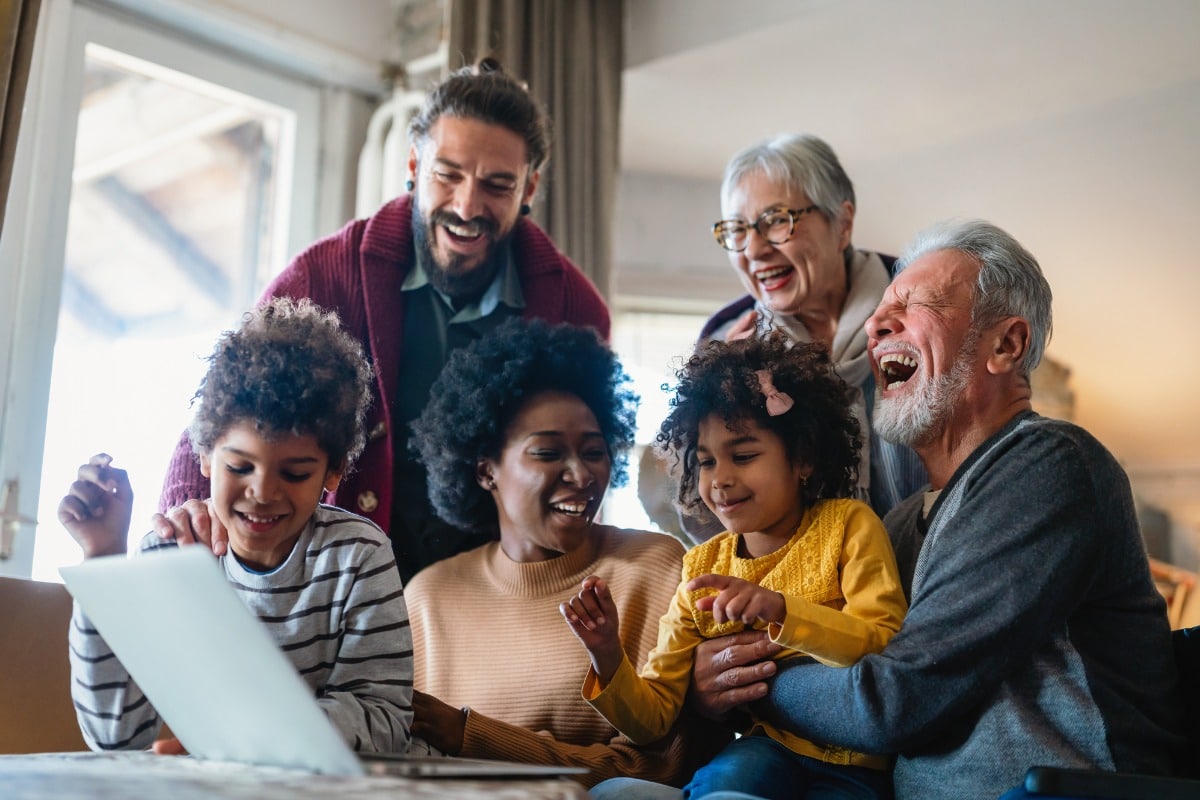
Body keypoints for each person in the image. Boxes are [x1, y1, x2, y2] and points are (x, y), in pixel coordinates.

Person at [684, 219, 1186, 800]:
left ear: (1007, 345)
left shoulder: (1050, 465)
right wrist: (702, 684)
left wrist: (742, 679)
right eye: (880, 311)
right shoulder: (892, 527)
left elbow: (893, 702)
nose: (876, 324)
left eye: (915, 304)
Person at [154, 57, 609, 583]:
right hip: (332, 585)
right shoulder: (324, 276)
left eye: (497, 185)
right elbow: (234, 401)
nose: (466, 205)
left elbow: (582, 473)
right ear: (414, 166)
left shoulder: (577, 312)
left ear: (529, 190)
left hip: (492, 594)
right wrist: (187, 512)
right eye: (448, 174)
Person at [563, 333, 907, 800]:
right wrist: (606, 655)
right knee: (638, 792)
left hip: (859, 764)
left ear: (803, 457)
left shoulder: (849, 525)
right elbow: (653, 720)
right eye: (705, 462)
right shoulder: (700, 568)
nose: (720, 480)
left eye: (743, 456)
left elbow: (882, 642)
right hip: (764, 750)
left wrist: (781, 612)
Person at [62, 298, 413, 755]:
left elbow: (384, 720)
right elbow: (115, 736)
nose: (263, 492)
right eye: (240, 466)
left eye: (295, 473)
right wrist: (103, 559)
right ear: (205, 456)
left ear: (334, 472)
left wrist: (248, 743)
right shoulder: (166, 559)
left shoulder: (359, 556)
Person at [403, 318, 729, 789]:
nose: (581, 474)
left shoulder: (654, 570)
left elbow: (657, 770)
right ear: (485, 471)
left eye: (594, 451)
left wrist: (472, 736)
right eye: (548, 453)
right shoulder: (428, 599)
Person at [700, 133, 925, 526]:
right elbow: (702, 507)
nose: (753, 250)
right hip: (788, 582)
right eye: (737, 230)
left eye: (776, 221)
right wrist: (724, 398)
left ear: (842, 224)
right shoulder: (724, 344)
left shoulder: (924, 312)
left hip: (927, 567)